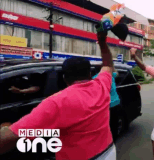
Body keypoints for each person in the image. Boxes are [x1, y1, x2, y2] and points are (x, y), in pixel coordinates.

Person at [0, 31, 116, 160]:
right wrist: (102, 43)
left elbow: (16, 135)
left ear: (65, 78)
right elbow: (108, 65)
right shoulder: (101, 86)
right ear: (90, 74)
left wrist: (6, 128)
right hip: (109, 151)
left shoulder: (57, 102)